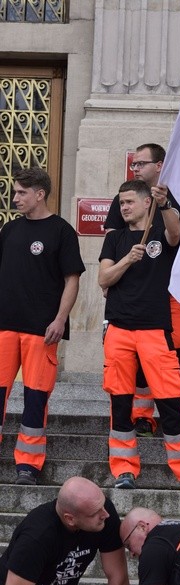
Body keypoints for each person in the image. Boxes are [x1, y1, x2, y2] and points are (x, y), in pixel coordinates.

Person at [99, 178, 180, 491]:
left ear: (147, 202)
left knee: (171, 401)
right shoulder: (116, 239)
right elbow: (103, 278)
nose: (124, 207)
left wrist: (166, 204)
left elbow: (176, 233)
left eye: (130, 202)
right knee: (120, 404)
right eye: (121, 203)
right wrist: (126, 260)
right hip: (119, 329)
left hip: (154, 330)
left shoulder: (161, 231)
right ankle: (123, 470)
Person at [0, 167, 85, 486]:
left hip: (42, 330)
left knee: (35, 399)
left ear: (40, 194)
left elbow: (72, 280)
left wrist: (60, 319)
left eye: (22, 192)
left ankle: (28, 465)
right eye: (15, 191)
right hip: (4, 327)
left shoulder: (61, 232)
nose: (15, 197)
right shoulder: (9, 231)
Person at [0, 476, 129, 585]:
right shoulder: (37, 537)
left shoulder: (103, 513)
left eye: (103, 505)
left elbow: (118, 577)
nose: (105, 514)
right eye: (95, 513)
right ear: (70, 519)